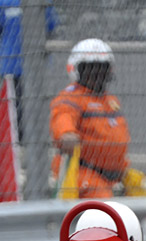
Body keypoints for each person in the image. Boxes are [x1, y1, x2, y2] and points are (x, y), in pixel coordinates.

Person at [50, 39, 130, 199]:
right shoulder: (71, 97)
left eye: (102, 68)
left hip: (115, 176)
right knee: (106, 210)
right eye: (90, 68)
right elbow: (63, 116)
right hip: (85, 175)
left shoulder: (110, 101)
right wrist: (67, 134)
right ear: (77, 70)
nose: (97, 73)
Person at [0, 0, 58, 141]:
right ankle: (37, 140)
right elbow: (50, 27)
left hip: (11, 61)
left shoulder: (4, 3)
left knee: (15, 105)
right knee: (36, 102)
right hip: (35, 63)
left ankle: (18, 140)